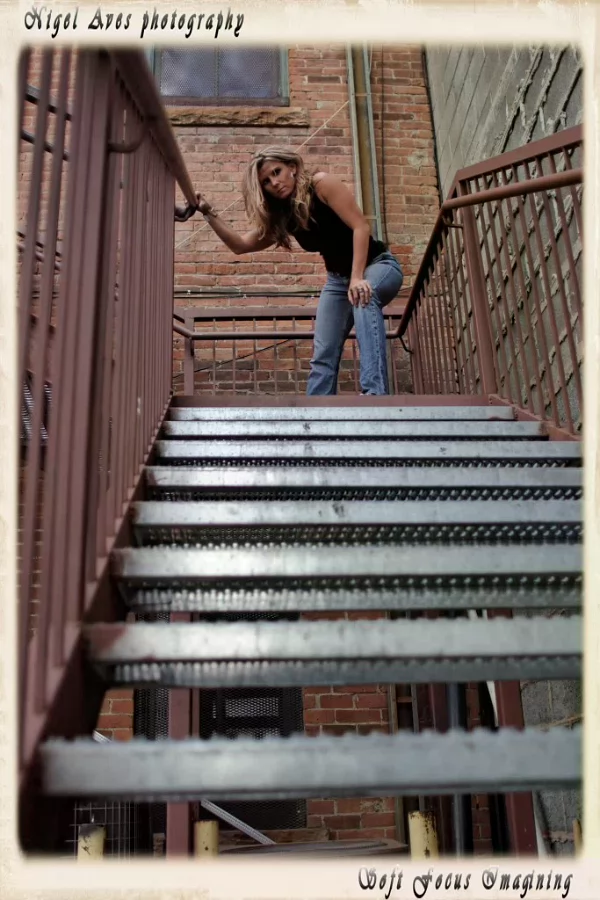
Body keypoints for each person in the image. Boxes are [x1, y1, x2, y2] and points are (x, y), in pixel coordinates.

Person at [189, 147, 403, 395]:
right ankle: (316, 412)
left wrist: (357, 277)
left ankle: (374, 395)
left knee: (363, 296)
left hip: (378, 265)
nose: (274, 183)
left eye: (276, 172)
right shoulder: (284, 217)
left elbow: (361, 227)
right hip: (338, 281)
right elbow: (240, 245)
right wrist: (208, 213)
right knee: (323, 351)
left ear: (292, 167)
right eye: (266, 181)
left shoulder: (321, 185)